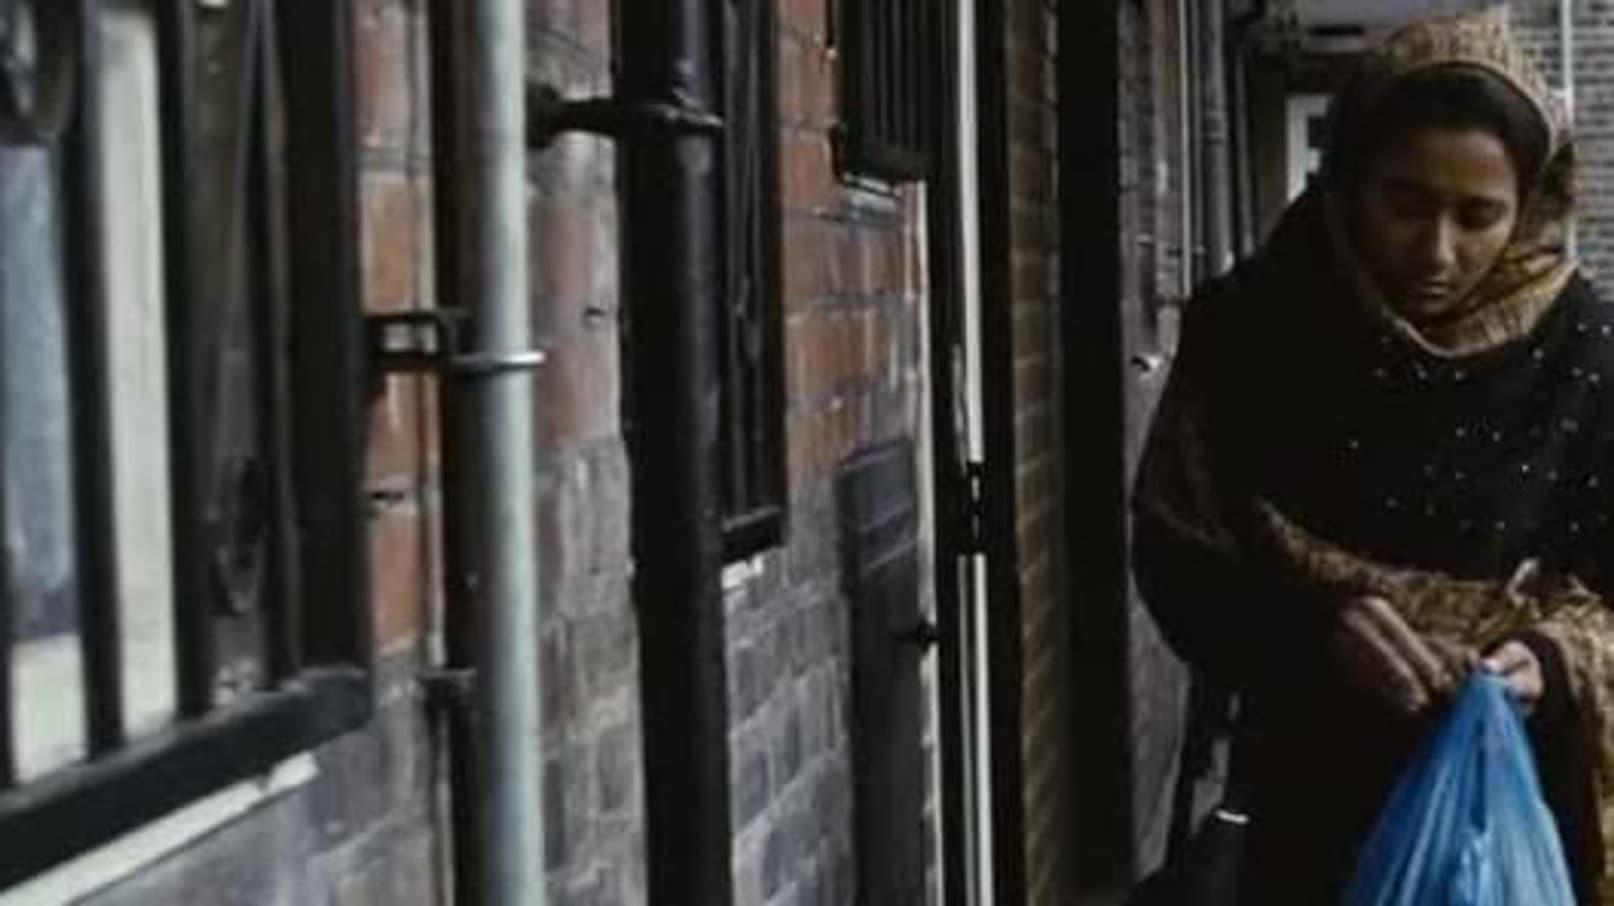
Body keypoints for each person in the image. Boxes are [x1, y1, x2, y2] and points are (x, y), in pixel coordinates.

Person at [1132, 9, 1614, 903]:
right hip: (1311, 787)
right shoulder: (1254, 329)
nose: (1438, 252)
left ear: (1530, 207)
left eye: (1478, 217)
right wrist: (1317, 631)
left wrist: (1548, 661)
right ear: (1348, 180)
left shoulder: (1581, 352)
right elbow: (1179, 552)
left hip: (1512, 799)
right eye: (1406, 204)